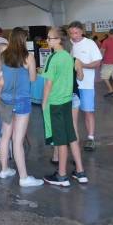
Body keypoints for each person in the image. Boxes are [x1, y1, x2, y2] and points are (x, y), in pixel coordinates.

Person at [0, 27, 43, 187]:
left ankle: (4, 170)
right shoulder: (28, 57)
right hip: (22, 100)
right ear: (23, 40)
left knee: (5, 136)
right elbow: (32, 78)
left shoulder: (3, 56)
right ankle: (23, 178)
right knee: (18, 139)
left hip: (5, 100)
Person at [41, 27, 88, 187]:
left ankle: (61, 176)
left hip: (55, 103)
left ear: (59, 40)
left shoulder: (53, 58)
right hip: (68, 102)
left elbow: (48, 83)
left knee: (61, 140)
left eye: (50, 38)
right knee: (71, 136)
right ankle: (80, 172)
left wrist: (43, 103)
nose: (47, 41)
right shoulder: (69, 57)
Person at [68, 21, 103, 152]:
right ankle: (73, 138)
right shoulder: (71, 45)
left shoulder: (90, 44)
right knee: (72, 114)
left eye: (76, 32)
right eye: (71, 33)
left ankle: (91, 138)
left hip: (86, 85)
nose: (74, 35)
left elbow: (97, 63)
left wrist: (82, 65)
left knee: (88, 111)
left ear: (82, 31)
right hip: (73, 85)